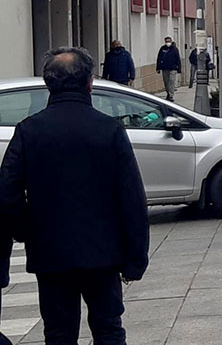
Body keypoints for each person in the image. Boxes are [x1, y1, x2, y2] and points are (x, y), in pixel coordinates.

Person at [0, 47, 149, 344]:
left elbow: (7, 194)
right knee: (108, 329)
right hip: (103, 253)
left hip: (51, 253)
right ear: (90, 82)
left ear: (48, 83)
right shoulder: (108, 130)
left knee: (58, 333)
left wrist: (27, 230)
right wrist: (136, 258)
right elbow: (132, 197)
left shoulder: (29, 131)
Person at [156, 36, 181, 101]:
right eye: (166, 41)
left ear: (171, 41)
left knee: (172, 81)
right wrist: (158, 68)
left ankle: (171, 95)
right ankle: (168, 93)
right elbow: (159, 58)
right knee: (166, 82)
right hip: (165, 68)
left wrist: (179, 68)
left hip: (173, 68)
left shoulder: (174, 49)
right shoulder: (162, 49)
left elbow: (178, 59)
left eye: (169, 41)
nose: (168, 43)